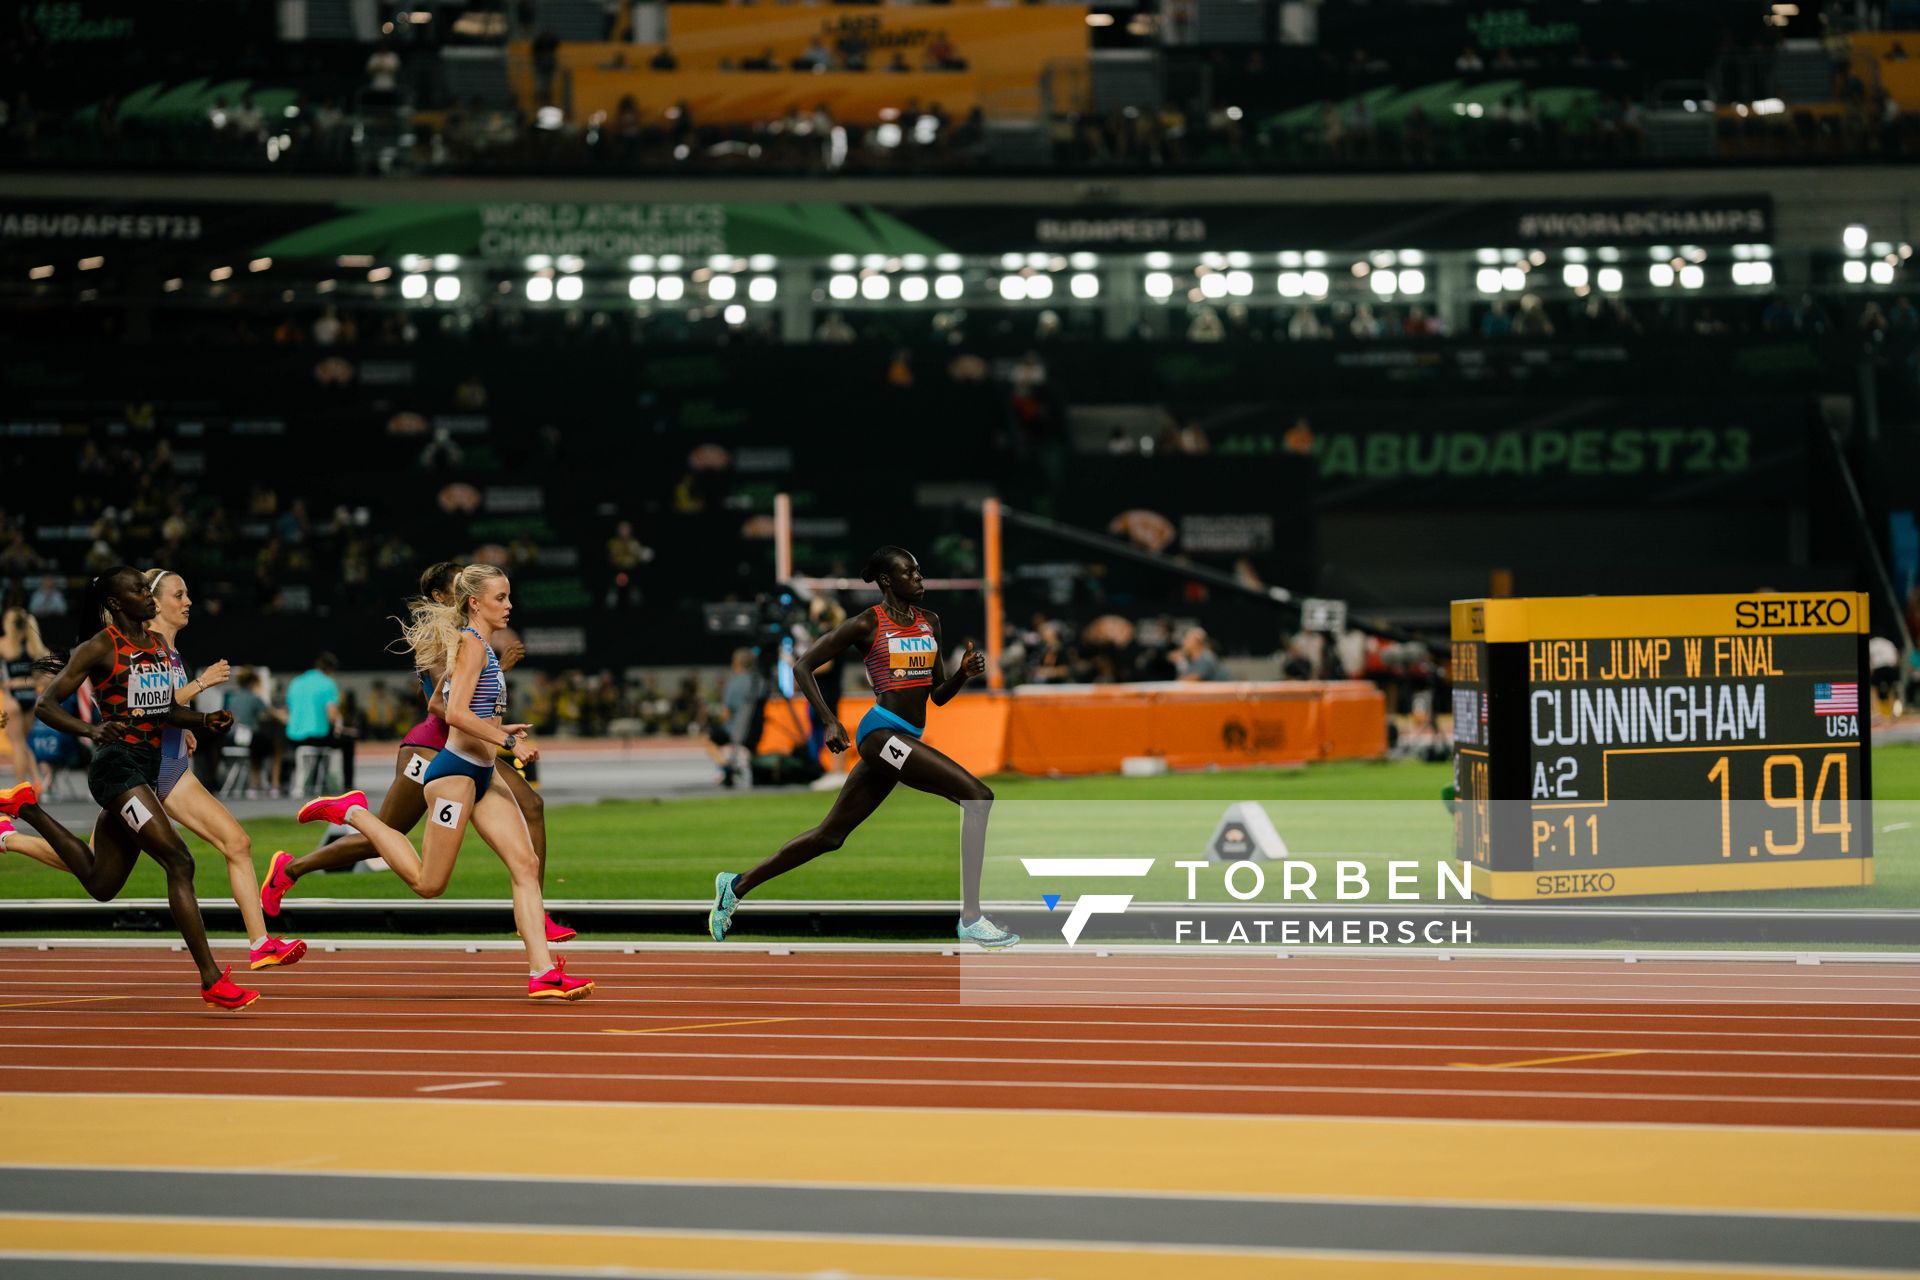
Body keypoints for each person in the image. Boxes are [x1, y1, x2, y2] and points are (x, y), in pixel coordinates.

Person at [290, 564, 591, 1000]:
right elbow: (454, 716)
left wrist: (498, 730)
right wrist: (507, 742)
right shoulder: (470, 645)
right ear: (475, 603)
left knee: (524, 865)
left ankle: (542, 972)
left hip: (483, 774)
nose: (509, 605)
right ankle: (351, 811)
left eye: (508, 597)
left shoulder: (477, 648)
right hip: (452, 775)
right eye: (500, 598)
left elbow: (437, 701)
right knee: (430, 885)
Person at [708, 546, 1017, 949]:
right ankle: (972, 918)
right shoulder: (867, 624)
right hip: (880, 736)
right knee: (977, 796)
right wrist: (830, 719)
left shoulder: (931, 623)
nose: (920, 579)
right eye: (911, 573)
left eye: (920, 572)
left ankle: (736, 885)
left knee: (830, 836)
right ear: (887, 581)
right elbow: (803, 666)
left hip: (904, 736)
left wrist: (961, 674)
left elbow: (937, 696)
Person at [4, 571, 307, 969]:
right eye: (178, 594)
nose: (188, 602)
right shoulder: (126, 647)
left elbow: (164, 706)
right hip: (146, 768)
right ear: (155, 603)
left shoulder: (166, 648)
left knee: (100, 870)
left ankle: (10, 836)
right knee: (200, 853)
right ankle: (248, 949)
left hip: (166, 763)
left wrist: (193, 725)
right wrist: (200, 686)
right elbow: (141, 707)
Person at [284, 651, 353, 792]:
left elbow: (288, 711)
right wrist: (341, 727)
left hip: (293, 737)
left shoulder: (296, 682)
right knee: (348, 742)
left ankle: (290, 781)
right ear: (330, 669)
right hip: (316, 736)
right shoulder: (328, 683)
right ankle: (347, 785)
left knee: (322, 743)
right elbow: (332, 716)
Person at [1, 606, 50, 789]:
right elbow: (55, 669)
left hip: (13, 699)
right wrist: (32, 682)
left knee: (17, 743)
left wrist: (10, 683)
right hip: (30, 698)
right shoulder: (34, 645)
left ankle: (20, 786)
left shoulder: (5, 644)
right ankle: (36, 779)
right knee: (20, 741)